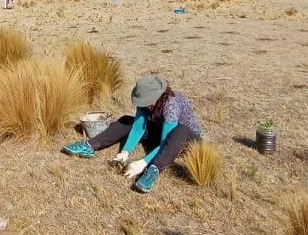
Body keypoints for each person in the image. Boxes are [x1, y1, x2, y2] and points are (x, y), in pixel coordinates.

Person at [62, 75, 203, 193]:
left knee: (180, 130)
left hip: (184, 141)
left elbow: (165, 140)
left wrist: (143, 163)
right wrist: (125, 152)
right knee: (126, 120)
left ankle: (153, 170)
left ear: (158, 96)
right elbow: (137, 128)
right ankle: (89, 146)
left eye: (147, 101)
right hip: (161, 133)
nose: (144, 105)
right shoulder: (144, 103)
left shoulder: (171, 104)